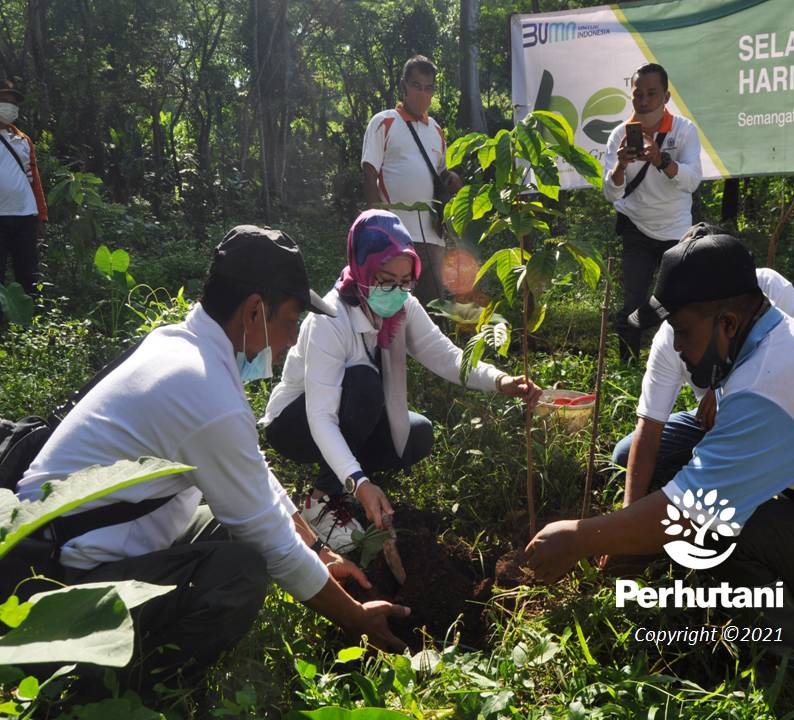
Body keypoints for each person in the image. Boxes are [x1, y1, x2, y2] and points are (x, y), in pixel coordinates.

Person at [526, 230, 794, 690]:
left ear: (728, 323)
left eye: (684, 332)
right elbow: (653, 442)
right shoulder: (773, 338)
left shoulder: (769, 385)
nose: (675, 347)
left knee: (724, 532)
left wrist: (577, 537)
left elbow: (692, 512)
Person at [16, 226, 409, 692]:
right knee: (241, 572)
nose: (288, 342)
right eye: (289, 322)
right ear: (254, 311)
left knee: (228, 519)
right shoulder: (204, 390)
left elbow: (252, 476)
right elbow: (272, 545)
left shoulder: (181, 348)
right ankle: (117, 686)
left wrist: (319, 552)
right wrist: (356, 619)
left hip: (71, 543)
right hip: (53, 582)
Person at [262, 210, 541, 550]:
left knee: (417, 434)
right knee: (364, 382)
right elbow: (321, 417)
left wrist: (500, 381)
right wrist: (359, 482)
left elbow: (446, 356)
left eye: (404, 280)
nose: (395, 290)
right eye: (384, 279)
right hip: (296, 425)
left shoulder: (404, 306)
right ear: (362, 268)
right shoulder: (331, 320)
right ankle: (322, 501)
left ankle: (349, 474)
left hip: (346, 418)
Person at [612, 223, 794, 506]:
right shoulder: (671, 336)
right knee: (626, 455)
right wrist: (628, 517)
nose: (680, 344)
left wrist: (721, 389)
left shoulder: (768, 290)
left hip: (783, 423)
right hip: (719, 427)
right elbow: (649, 429)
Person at [602, 63, 701, 362]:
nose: (644, 101)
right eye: (638, 95)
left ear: (666, 96)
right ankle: (628, 367)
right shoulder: (619, 135)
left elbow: (692, 181)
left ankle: (681, 367)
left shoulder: (684, 130)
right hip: (637, 229)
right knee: (632, 303)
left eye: (652, 94)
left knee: (680, 303)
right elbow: (611, 193)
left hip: (677, 230)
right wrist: (620, 165)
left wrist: (661, 160)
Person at [361, 55, 462, 306]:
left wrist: (454, 180)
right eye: (417, 86)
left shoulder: (436, 130)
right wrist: (376, 226)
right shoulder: (383, 122)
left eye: (428, 88)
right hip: (394, 237)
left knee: (431, 316)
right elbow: (369, 170)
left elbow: (441, 176)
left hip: (433, 241)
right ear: (404, 85)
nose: (422, 94)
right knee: (390, 313)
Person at [0, 80, 47, 299]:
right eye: (5, 101)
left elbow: (33, 179)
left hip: (25, 215)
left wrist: (41, 216)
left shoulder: (23, 140)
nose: (10, 107)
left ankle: (29, 319)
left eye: (14, 104)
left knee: (28, 272)